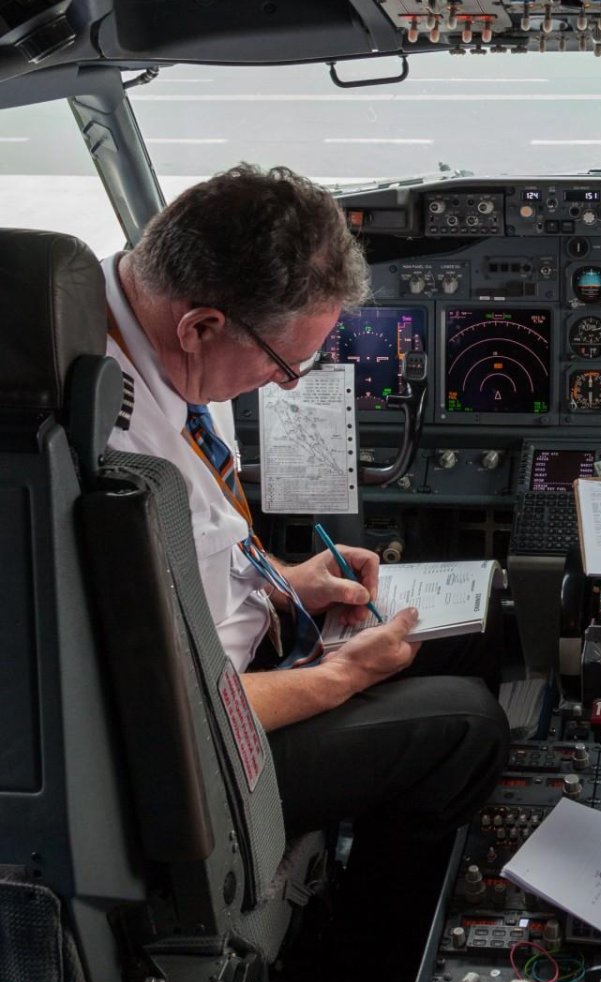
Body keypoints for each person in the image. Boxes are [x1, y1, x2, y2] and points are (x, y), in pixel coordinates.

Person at [101, 164, 509, 862]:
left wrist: (287, 583)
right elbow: (160, 704)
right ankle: (347, 948)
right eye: (285, 365)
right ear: (202, 326)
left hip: (226, 651)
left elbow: (196, 560)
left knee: (479, 620)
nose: (285, 382)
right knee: (468, 727)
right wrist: (339, 678)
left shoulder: (166, 347)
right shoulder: (105, 449)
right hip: (190, 749)